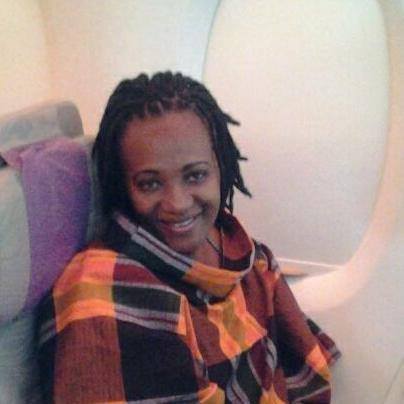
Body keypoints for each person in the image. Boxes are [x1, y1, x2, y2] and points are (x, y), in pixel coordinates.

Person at [37, 71, 340, 403]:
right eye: (150, 183)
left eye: (195, 175)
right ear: (122, 187)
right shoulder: (99, 289)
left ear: (221, 167)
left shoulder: (246, 257)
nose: (178, 204)